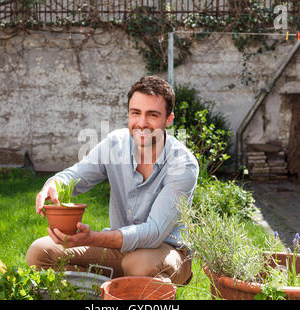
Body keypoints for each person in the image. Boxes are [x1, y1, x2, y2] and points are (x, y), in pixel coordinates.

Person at [26, 75, 199, 285]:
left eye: (152, 115)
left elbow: (153, 233)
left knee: (138, 264)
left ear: (168, 120)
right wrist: (53, 184)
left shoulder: (183, 164)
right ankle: (105, 294)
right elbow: (77, 175)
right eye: (136, 113)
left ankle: (144, 293)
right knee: (40, 252)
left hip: (168, 252)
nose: (142, 123)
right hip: (120, 249)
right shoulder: (115, 144)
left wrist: (92, 238)